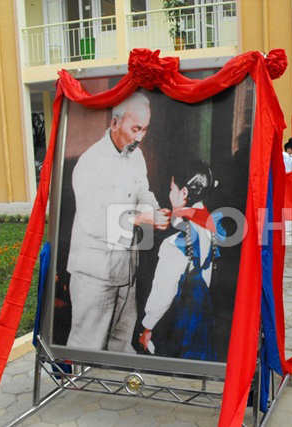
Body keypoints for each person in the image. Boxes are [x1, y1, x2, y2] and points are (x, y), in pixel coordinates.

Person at [66, 91, 169, 353]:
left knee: (122, 341)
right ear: (115, 123)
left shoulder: (135, 155)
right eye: (135, 128)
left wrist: (155, 210)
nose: (140, 137)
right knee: (88, 343)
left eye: (144, 129)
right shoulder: (91, 162)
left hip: (125, 269)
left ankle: (114, 390)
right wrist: (142, 219)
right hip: (95, 274)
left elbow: (143, 191)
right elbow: (94, 222)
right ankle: (79, 390)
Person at [139, 159, 222, 360]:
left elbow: (163, 292)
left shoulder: (174, 244)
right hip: (203, 313)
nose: (169, 194)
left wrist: (147, 327)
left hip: (179, 319)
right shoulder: (210, 223)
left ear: (184, 193)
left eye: (172, 189)